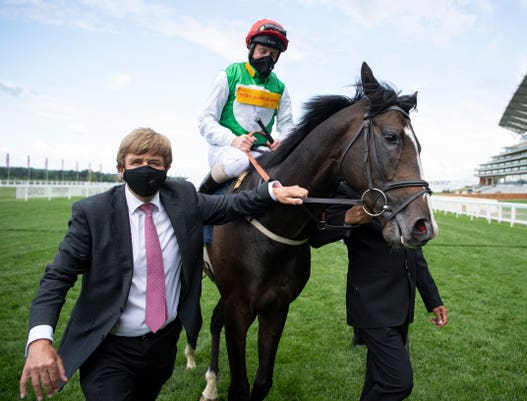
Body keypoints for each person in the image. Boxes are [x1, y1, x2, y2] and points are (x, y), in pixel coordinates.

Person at [19, 127, 307, 401]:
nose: (146, 168)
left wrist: (271, 192)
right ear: (121, 168)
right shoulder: (92, 213)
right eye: (137, 162)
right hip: (109, 350)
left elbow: (228, 206)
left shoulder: (182, 197)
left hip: (161, 346)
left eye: (155, 163)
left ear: (166, 169)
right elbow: (57, 278)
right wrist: (40, 339)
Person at [310, 182, 448, 401]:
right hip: (371, 307)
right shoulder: (345, 192)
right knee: (398, 383)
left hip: (402, 306)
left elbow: (415, 254)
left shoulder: (398, 192)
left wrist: (433, 300)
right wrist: (346, 219)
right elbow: (314, 237)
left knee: (378, 381)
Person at [198, 18, 294, 194]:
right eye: (262, 51)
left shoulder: (280, 88)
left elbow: (287, 125)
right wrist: (233, 140)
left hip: (261, 151)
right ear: (251, 48)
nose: (267, 58)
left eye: (272, 54)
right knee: (239, 162)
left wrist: (283, 142)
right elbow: (205, 120)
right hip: (225, 149)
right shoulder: (229, 75)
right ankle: (202, 196)